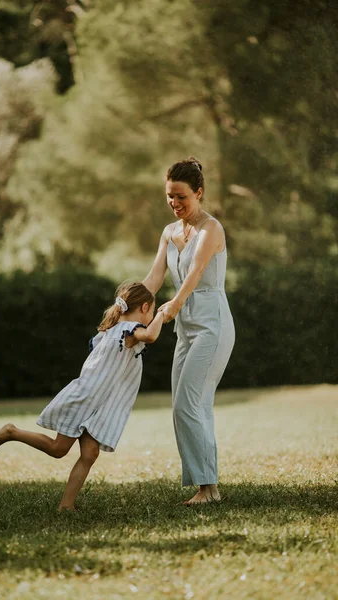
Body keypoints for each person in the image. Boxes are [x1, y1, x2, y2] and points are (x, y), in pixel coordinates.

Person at [0, 282, 165, 511]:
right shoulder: (128, 329)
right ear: (145, 306)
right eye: (152, 310)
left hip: (97, 402)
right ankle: (12, 432)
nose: (151, 316)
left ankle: (66, 506)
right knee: (58, 449)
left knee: (90, 453)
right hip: (86, 399)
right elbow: (149, 335)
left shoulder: (111, 329)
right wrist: (162, 314)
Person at [144, 157, 235, 505]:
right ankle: (207, 488)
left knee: (188, 404)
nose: (175, 203)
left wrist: (174, 306)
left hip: (212, 325)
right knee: (191, 406)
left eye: (181, 196)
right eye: (169, 196)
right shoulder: (169, 232)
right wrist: (124, 306)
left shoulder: (212, 229)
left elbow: (195, 273)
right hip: (186, 330)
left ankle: (207, 488)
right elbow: (154, 278)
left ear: (198, 193)